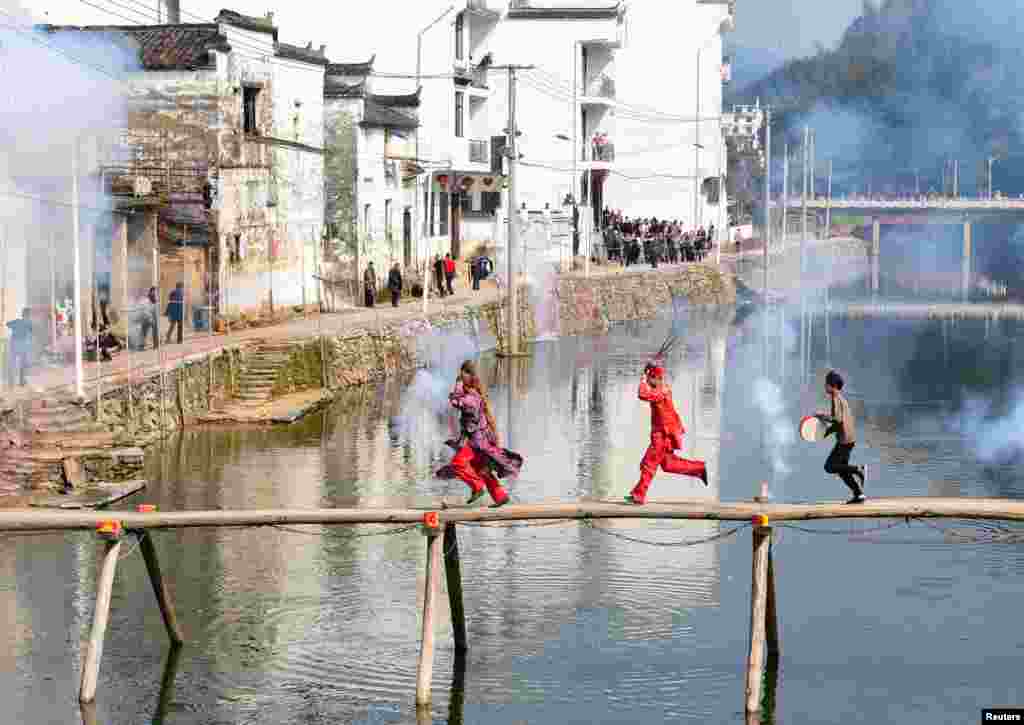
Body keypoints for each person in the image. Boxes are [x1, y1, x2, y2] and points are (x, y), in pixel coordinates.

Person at [436, 360, 523, 508]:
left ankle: (477, 487)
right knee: (481, 470)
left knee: (458, 463)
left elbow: (456, 401)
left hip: (475, 442)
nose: (459, 378)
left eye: (461, 374)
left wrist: (457, 386)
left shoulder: (472, 398)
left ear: (468, 375)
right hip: (478, 442)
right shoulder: (473, 394)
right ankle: (500, 497)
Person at [625, 362, 707, 504]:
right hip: (663, 433)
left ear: (656, 378)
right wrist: (646, 373)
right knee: (668, 464)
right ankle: (699, 469)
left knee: (648, 464)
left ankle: (638, 496)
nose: (649, 382)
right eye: (648, 378)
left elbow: (643, 394)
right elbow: (646, 391)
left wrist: (643, 379)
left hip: (664, 434)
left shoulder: (661, 391)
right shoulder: (659, 388)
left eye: (651, 378)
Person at [816, 370, 866, 504]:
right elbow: (839, 421)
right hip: (849, 439)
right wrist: (826, 431)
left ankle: (858, 469)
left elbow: (837, 419)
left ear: (832, 386)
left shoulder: (835, 398)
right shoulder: (840, 398)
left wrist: (822, 416)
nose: (825, 387)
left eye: (826, 384)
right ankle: (858, 494)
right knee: (842, 470)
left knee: (830, 467)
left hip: (844, 441)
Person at [6, 308, 34, 387]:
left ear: (22, 314)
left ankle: (11, 383)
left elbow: (7, 324)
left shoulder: (17, 321)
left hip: (13, 343)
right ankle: (21, 382)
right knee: (23, 364)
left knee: (12, 364)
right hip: (23, 344)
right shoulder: (29, 322)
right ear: (28, 315)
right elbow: (31, 332)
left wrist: (16, 326)